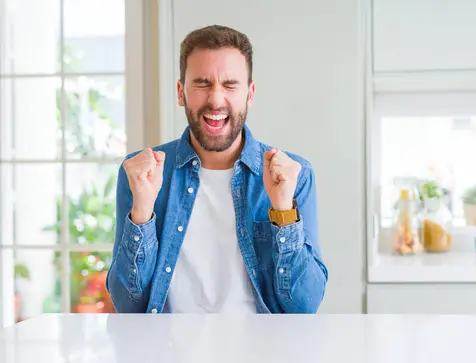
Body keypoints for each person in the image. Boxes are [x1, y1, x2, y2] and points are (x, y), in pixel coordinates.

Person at [106, 25, 328, 314]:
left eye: (230, 85)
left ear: (250, 93)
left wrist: (284, 211)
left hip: (262, 356)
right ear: (180, 92)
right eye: (202, 83)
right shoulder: (141, 175)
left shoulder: (294, 175)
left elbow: (305, 305)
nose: (215, 99)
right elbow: (127, 305)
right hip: (167, 357)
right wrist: (143, 213)